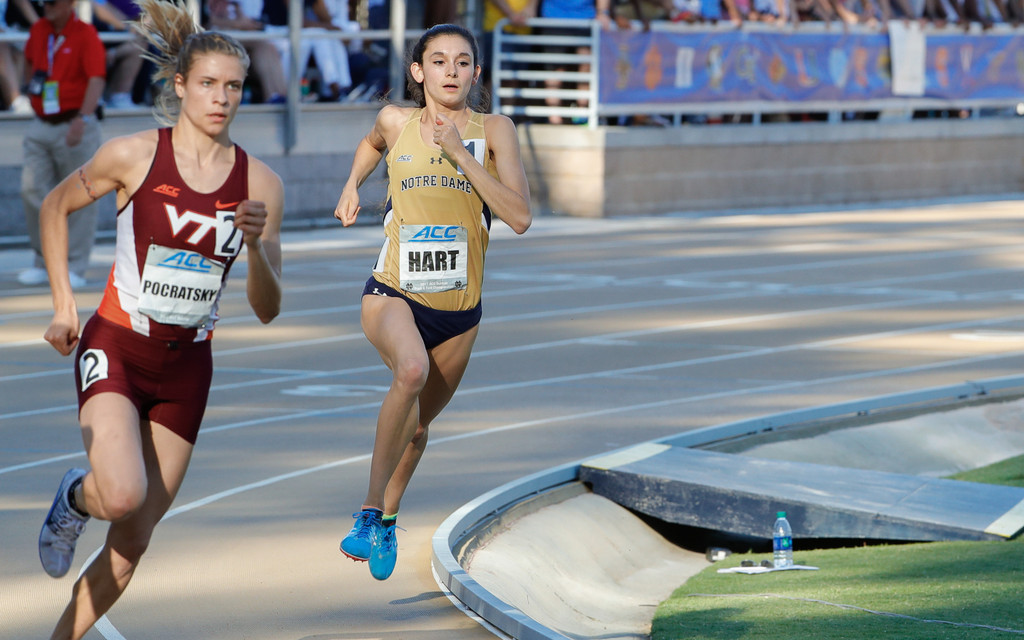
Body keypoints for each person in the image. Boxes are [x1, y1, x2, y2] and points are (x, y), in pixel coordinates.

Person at [35, 0, 283, 637]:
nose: (221, 98)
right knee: (119, 494)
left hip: (186, 369)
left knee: (131, 544)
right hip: (118, 345)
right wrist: (65, 304)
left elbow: (266, 308)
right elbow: (54, 208)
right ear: (180, 85)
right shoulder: (135, 155)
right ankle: (73, 497)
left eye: (233, 86)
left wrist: (255, 245)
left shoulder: (262, 184)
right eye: (207, 84)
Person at [332, 23, 532, 581]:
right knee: (411, 370)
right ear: (419, 72)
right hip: (394, 289)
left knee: (416, 429)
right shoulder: (397, 121)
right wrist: (353, 183)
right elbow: (373, 142)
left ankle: (390, 517)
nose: (450, 71)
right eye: (438, 61)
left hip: (459, 311)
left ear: (474, 73)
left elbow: (519, 216)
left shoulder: (495, 130)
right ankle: (369, 512)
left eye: (462, 62)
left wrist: (460, 155)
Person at [18, 0, 106, 289]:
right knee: (32, 190)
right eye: (43, 2)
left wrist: (83, 118)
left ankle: (76, 264)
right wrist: (27, 90)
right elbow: (29, 62)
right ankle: (43, 261)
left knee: (80, 196)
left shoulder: (86, 34)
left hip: (73, 123)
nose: (47, 7)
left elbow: (96, 78)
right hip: (42, 122)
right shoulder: (40, 30)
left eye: (53, 2)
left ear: (70, 3)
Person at [204, 0, 287, 103]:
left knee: (266, 48)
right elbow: (206, 22)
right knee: (259, 44)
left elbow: (256, 23)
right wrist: (237, 24)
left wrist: (247, 24)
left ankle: (276, 97)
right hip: (213, 40)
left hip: (243, 40)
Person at [0, 0, 38, 113]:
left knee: (21, 46)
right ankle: (15, 100)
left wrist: (41, 27)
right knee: (3, 45)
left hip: (5, 31)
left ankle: (15, 103)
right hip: (2, 37)